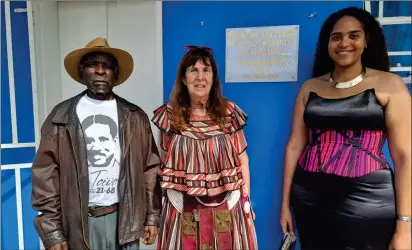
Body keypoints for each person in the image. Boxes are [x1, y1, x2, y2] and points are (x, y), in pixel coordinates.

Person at [280, 7, 411, 249]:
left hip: (368, 200)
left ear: (366, 41)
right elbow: (295, 145)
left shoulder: (390, 85)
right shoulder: (310, 88)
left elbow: (404, 158)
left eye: (353, 35)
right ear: (328, 43)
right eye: (336, 37)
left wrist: (404, 227)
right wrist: (285, 205)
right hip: (308, 198)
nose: (344, 43)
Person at [31, 37, 162, 250]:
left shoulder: (135, 117)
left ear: (116, 74)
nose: (100, 71)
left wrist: (152, 217)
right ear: (82, 72)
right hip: (80, 223)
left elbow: (150, 169)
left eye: (108, 66)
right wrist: (52, 231)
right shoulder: (61, 116)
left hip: (124, 220)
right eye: (93, 64)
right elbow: (46, 175)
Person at [152, 45, 258, 250]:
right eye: (193, 70)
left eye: (206, 70)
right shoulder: (170, 117)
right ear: (184, 78)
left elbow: (243, 161)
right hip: (182, 208)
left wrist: (246, 203)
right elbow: (164, 164)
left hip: (228, 206)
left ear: (213, 77)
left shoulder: (230, 113)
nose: (200, 77)